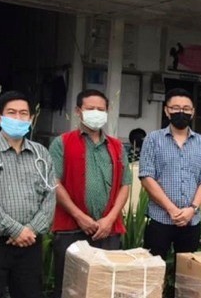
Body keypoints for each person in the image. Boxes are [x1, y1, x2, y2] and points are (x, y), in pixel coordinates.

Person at [0, 90, 56, 298]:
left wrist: (30, 230)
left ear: (31, 118)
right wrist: (16, 230)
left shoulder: (41, 153)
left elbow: (50, 196)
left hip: (30, 244)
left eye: (24, 113)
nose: (18, 118)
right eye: (11, 112)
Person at [49, 89, 131, 297]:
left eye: (100, 109)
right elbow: (54, 182)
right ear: (78, 111)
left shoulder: (117, 146)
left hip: (108, 231)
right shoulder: (62, 143)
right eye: (90, 109)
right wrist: (79, 216)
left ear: (107, 111)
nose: (96, 113)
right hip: (71, 230)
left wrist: (110, 219)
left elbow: (125, 184)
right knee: (69, 288)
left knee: (104, 289)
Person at [139, 88, 201, 258]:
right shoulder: (153, 139)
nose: (181, 112)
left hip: (191, 220)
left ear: (193, 112)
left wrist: (191, 209)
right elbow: (146, 176)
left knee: (188, 274)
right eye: (176, 108)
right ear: (167, 110)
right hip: (160, 219)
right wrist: (171, 209)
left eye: (186, 109)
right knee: (154, 271)